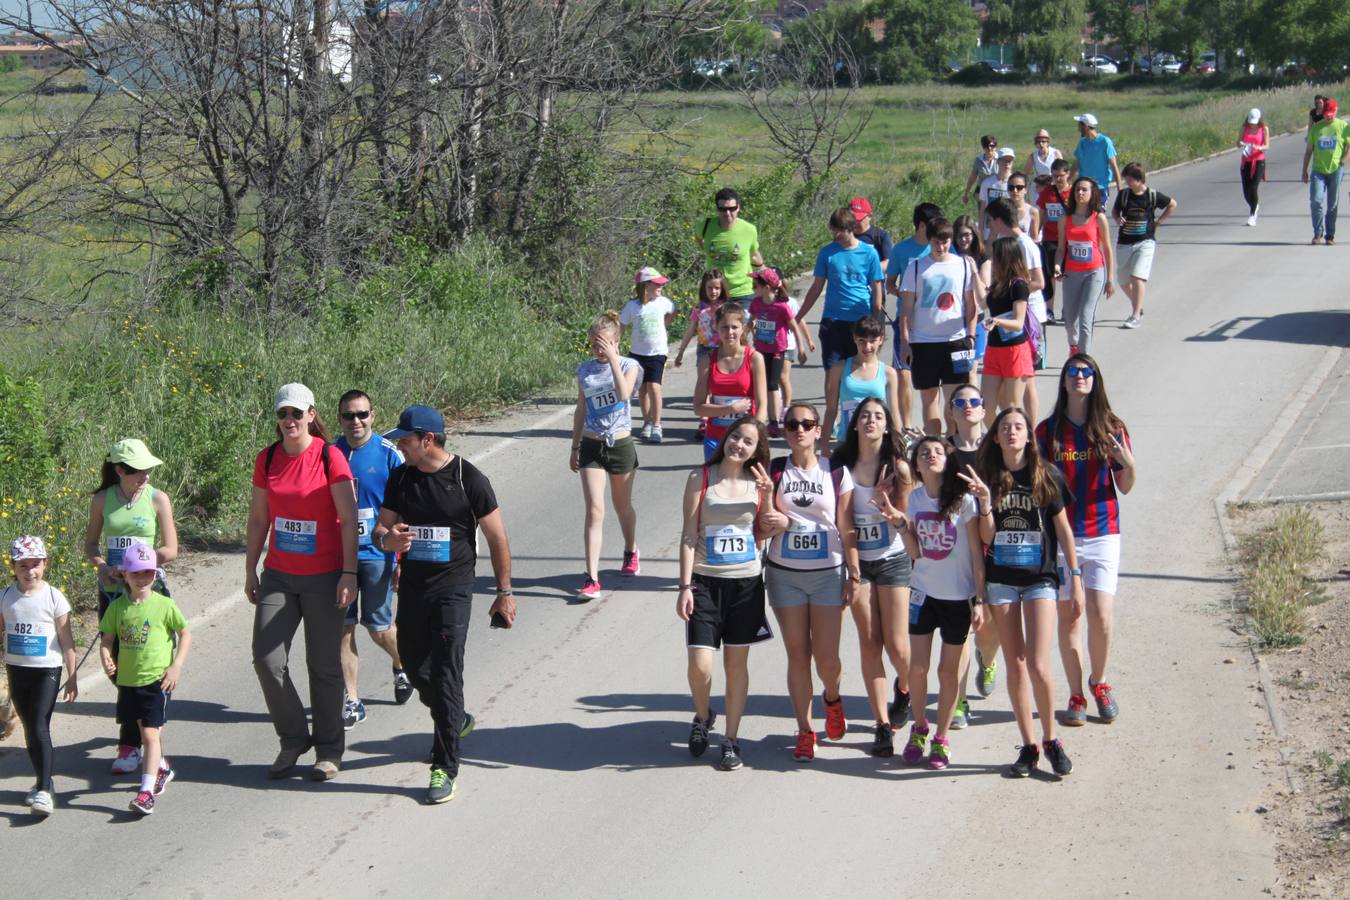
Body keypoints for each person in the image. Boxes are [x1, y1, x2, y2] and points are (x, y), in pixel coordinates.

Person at [373, 405, 517, 804]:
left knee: (447, 671)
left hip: (453, 587)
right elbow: (380, 528)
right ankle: (455, 719)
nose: (400, 444)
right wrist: (388, 541)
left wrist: (504, 592)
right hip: (414, 587)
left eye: (406, 439)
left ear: (428, 440)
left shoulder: (467, 478)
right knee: (414, 664)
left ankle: (444, 766)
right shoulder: (401, 476)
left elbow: (497, 538)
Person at [246, 383, 359, 782]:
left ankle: (329, 750)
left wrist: (350, 573)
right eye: (283, 414)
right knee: (266, 658)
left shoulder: (330, 458)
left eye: (297, 413)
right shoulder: (269, 457)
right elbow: (260, 518)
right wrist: (250, 569)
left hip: (326, 577)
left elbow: (348, 521)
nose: (289, 421)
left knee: (323, 665)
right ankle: (294, 738)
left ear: (312, 414)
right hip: (279, 575)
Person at [971, 408, 1082, 779]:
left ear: (1028, 436)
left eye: (1019, 427)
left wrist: (1076, 577)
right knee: (1015, 664)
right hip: (1001, 579)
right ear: (997, 438)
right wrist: (986, 503)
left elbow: (1064, 531)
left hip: (1040, 578)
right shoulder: (988, 478)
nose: (1013, 433)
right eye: (1005, 428)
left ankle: (1052, 740)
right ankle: (1029, 746)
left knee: (1037, 663)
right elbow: (985, 538)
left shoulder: (1045, 475)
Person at [1036, 353, 1136, 726]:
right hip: (1063, 538)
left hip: (1103, 530)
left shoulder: (1111, 427)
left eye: (1086, 371)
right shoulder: (1047, 432)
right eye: (1072, 372)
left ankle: (1100, 682)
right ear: (1063, 382)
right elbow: (1038, 487)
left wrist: (1127, 460)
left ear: (1095, 379)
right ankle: (1076, 694)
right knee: (1071, 618)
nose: (1079, 376)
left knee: (1102, 618)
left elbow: (1125, 486)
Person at [755, 402, 859, 762]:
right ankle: (804, 729)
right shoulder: (773, 470)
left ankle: (832, 697)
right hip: (785, 575)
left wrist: (854, 573)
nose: (799, 430)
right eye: (792, 424)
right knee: (797, 655)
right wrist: (772, 507)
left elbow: (846, 526)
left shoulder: (835, 472)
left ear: (818, 431)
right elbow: (761, 522)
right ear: (785, 431)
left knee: (827, 658)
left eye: (807, 424)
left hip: (828, 574)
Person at [676, 416, 775, 771]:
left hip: (746, 584)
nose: (739, 445)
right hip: (705, 583)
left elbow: (767, 529)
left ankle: (731, 740)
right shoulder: (700, 478)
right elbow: (689, 536)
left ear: (755, 450)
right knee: (699, 666)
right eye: (736, 437)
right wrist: (685, 586)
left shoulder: (759, 483)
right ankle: (703, 716)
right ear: (726, 438)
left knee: (736, 666)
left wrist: (769, 497)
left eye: (748, 442)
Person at [83, 438, 178, 776]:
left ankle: (143, 744)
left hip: (149, 591)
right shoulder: (101, 500)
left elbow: (171, 549)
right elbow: (91, 543)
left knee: (149, 663)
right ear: (120, 470)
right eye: (139, 471)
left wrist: (141, 565)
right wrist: (104, 566)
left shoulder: (157, 499)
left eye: (149, 469)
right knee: (119, 665)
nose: (147, 476)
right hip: (113, 593)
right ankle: (132, 742)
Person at [831, 397, 915, 752]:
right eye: (864, 415)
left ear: (886, 425)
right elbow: (843, 521)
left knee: (897, 644)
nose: (870, 421)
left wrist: (890, 506)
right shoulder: (841, 464)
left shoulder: (899, 467)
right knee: (870, 642)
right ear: (854, 424)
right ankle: (882, 724)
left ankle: (906, 689)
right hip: (859, 562)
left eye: (878, 416)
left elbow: (908, 523)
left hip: (894, 558)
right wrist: (851, 571)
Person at [897, 437, 983, 770]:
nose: (930, 456)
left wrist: (980, 600)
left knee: (948, 673)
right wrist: (901, 526)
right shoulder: (915, 499)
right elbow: (916, 552)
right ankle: (919, 728)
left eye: (936, 452)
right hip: (923, 593)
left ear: (947, 461)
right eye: (923, 453)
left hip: (958, 597)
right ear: (916, 466)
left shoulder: (964, 502)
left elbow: (976, 552)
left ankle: (941, 738)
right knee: (916, 667)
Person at [334, 389, 411, 730]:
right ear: (340, 419)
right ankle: (352, 699)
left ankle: (401, 663)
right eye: (349, 415)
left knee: (379, 628)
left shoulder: (389, 453)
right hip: (339, 557)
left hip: (378, 553)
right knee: (343, 628)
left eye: (362, 414)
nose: (356, 421)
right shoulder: (330, 453)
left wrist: (401, 559)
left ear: (373, 415)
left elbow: (407, 507)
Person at [99, 543, 192, 815]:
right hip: (129, 681)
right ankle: (161, 768)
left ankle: (146, 793)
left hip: (157, 680)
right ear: (125, 574)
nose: (143, 578)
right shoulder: (117, 608)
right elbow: (107, 638)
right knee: (144, 732)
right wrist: (106, 657)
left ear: (156, 574)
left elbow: (185, 633)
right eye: (137, 573)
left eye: (149, 573)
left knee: (150, 734)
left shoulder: (164, 605)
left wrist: (176, 666)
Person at [570, 311, 643, 602]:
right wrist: (575, 445)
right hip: (592, 445)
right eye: (594, 344)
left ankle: (630, 548)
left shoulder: (630, 365)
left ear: (616, 342)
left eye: (604, 343)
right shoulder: (584, 369)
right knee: (595, 510)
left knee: (622, 506)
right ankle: (591, 578)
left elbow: (624, 394)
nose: (597, 349)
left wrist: (613, 359)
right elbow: (581, 408)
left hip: (621, 444)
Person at [2, 536, 77, 817]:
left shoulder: (54, 597)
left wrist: (72, 676)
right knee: (30, 728)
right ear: (13, 566)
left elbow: (67, 640)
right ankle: (42, 783)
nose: (29, 571)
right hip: (17, 669)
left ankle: (44, 791)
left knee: (37, 725)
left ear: (45, 564)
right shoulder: (6, 597)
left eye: (35, 565)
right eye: (23, 566)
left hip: (47, 669)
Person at [945, 385, 1000, 723]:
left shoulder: (994, 450)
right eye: (959, 402)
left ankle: (989, 660)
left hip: (991, 541)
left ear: (983, 410)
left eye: (974, 402)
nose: (967, 407)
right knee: (960, 629)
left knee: (988, 628)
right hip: (954, 547)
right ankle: (960, 700)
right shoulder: (943, 451)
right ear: (951, 411)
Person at [898, 217, 982, 436]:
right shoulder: (915, 267)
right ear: (929, 241)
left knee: (954, 400)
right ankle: (934, 442)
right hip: (923, 343)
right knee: (929, 400)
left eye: (945, 242)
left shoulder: (962, 264)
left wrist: (971, 336)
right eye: (936, 242)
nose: (941, 247)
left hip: (956, 341)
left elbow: (970, 305)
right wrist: (905, 343)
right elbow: (906, 309)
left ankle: (953, 443)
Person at [797, 207, 885, 371]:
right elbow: (816, 288)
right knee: (832, 370)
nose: (835, 235)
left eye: (839, 231)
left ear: (851, 229)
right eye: (833, 230)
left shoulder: (869, 253)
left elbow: (877, 288)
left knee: (858, 370)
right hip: (832, 320)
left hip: (860, 320)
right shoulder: (827, 253)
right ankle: (831, 398)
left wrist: (876, 320)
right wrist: (798, 316)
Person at [985, 198, 1046, 424]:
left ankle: (1030, 431)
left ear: (999, 219)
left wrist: (1013, 293)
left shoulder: (1024, 244)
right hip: (1003, 324)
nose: (990, 225)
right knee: (1023, 384)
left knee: (1027, 383)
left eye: (991, 220)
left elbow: (1039, 282)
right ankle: (1019, 428)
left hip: (1028, 318)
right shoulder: (1004, 240)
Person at [885, 202, 944, 431]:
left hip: (934, 323)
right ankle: (907, 426)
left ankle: (934, 425)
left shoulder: (940, 248)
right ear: (921, 226)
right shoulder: (901, 250)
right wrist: (903, 292)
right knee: (903, 375)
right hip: (906, 320)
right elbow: (890, 283)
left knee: (933, 381)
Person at [694, 303, 767, 461]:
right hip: (716, 438)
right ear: (716, 327)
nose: (730, 332)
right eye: (725, 327)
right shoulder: (708, 360)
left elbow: (762, 405)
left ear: (743, 328)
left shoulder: (754, 358)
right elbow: (698, 408)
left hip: (746, 440)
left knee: (746, 484)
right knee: (715, 484)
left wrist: (754, 436)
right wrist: (729, 408)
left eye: (734, 327)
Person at [1053, 178, 1116, 356]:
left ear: (1092, 193)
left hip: (1094, 272)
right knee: (1070, 319)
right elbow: (1060, 249)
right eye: (1077, 190)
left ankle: (1084, 358)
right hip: (1072, 273)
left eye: (1084, 190)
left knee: (1086, 317)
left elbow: (1107, 250)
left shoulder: (1099, 218)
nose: (1080, 193)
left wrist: (1110, 279)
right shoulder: (1065, 219)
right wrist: (1057, 266)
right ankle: (1074, 347)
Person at [821, 314, 901, 452]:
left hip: (877, 442)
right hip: (847, 441)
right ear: (854, 339)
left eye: (872, 341)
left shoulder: (889, 373)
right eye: (862, 341)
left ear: (880, 340)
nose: (867, 346)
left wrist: (898, 445)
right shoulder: (839, 368)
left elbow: (894, 413)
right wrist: (823, 445)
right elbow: (831, 409)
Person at [1112, 162, 1177, 329]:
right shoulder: (1124, 195)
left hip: (1145, 241)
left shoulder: (1152, 195)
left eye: (1130, 180)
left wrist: (1160, 221)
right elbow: (1115, 211)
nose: (1128, 183)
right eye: (1126, 180)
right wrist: (1118, 219)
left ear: (1140, 180)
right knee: (1123, 281)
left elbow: (1172, 204)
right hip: (1124, 242)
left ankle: (1135, 315)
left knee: (1137, 276)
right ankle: (1138, 307)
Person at [749, 266, 811, 436]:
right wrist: (744, 336)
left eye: (756, 284)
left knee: (772, 384)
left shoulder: (782, 307)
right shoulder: (756, 304)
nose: (753, 287)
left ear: (766, 287)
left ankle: (774, 422)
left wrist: (801, 348)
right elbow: (751, 321)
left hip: (777, 350)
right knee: (761, 384)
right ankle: (763, 418)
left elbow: (795, 327)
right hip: (760, 350)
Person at [980, 236, 1034, 422]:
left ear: (1005, 258)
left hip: (1015, 350)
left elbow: (1018, 322)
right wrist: (974, 273)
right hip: (994, 349)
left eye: (995, 257)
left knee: (1010, 407)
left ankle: (1019, 443)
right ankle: (995, 442)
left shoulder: (1019, 285)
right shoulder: (997, 283)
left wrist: (996, 322)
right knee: (985, 407)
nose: (992, 261)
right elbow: (982, 302)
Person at [620, 267, 677, 443]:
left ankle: (657, 425)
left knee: (654, 386)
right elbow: (622, 325)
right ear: (645, 286)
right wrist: (614, 345)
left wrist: (666, 323)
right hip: (637, 354)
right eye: (657, 284)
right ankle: (647, 423)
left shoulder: (663, 302)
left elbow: (672, 311)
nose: (661, 287)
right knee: (642, 389)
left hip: (657, 353)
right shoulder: (632, 306)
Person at [696, 188, 763, 307]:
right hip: (715, 292)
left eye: (732, 208)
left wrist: (766, 273)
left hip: (742, 293)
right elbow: (698, 237)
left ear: (738, 207)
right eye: (723, 209)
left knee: (742, 326)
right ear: (717, 209)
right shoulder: (705, 226)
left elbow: (754, 254)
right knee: (708, 325)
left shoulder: (749, 230)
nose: (727, 213)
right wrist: (707, 250)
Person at [1302, 99, 1349, 245]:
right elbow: (1309, 151)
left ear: (1336, 111)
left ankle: (1330, 235)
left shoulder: (1343, 127)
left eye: (1331, 114)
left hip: (1336, 170)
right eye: (1326, 114)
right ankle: (1318, 233)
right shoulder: (1317, 128)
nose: (1328, 117)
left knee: (1332, 204)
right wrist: (1304, 171)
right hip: (1318, 171)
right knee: (1316, 200)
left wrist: (1343, 161)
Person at [1036, 159, 1072, 322]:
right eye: (1054, 176)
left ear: (1068, 174)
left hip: (1069, 240)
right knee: (1051, 274)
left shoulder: (1073, 193)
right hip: (1050, 239)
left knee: (1068, 274)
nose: (1058, 179)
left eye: (1061, 176)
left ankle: (1067, 308)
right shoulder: (1046, 193)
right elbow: (1042, 215)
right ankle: (1049, 309)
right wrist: (1036, 234)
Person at [673, 269, 727, 369]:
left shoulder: (726, 307)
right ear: (704, 288)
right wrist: (681, 353)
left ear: (722, 289)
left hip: (723, 349)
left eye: (717, 288)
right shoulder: (699, 308)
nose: (713, 291)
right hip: (704, 350)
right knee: (703, 381)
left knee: (721, 381)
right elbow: (690, 331)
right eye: (709, 288)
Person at [1070, 113, 1123, 208]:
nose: (1078, 129)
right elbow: (1076, 165)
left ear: (1085, 126)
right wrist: (1065, 180)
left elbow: (1114, 166)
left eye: (1080, 125)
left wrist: (1120, 190)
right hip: (1084, 187)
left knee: (1099, 216)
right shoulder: (1082, 143)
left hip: (1100, 188)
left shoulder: (1105, 142)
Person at [1237, 108, 1269, 226]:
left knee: (1253, 187)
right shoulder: (1244, 128)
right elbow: (1237, 142)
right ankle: (1254, 206)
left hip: (1259, 161)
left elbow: (1267, 145)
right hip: (1246, 161)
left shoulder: (1264, 129)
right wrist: (1242, 144)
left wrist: (1258, 148)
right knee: (1246, 190)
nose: (1252, 124)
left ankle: (1252, 215)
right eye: (1251, 122)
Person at [978, 148, 1016, 239]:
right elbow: (982, 208)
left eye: (1010, 161)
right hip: (989, 231)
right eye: (1004, 160)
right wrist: (980, 230)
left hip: (1008, 232)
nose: (1007, 164)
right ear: (998, 162)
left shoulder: (1016, 184)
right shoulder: (987, 183)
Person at [850, 196, 892, 266]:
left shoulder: (880, 236)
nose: (855, 222)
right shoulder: (844, 235)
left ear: (869, 216)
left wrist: (867, 271)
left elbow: (888, 262)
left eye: (858, 219)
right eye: (852, 218)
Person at [961, 135, 999, 205]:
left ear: (995, 147)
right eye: (986, 146)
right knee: (982, 212)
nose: (989, 148)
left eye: (992, 146)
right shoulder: (979, 160)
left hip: (996, 191)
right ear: (983, 147)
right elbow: (973, 177)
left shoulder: (1000, 159)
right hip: (981, 191)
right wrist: (966, 193)